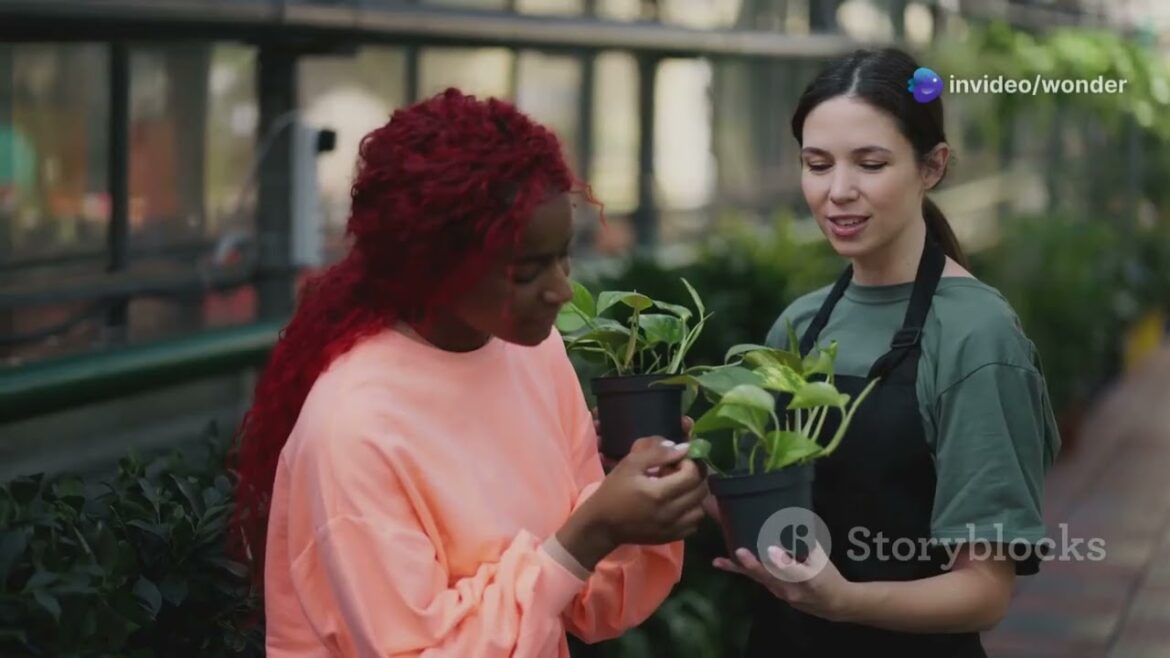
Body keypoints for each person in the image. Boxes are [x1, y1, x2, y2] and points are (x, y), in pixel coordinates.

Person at [230, 88, 709, 658]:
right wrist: (594, 531)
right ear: (436, 265)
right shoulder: (353, 428)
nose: (561, 289)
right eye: (527, 270)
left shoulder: (533, 351)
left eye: (564, 256)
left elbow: (586, 605)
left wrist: (643, 503)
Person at [710, 48, 1061, 657]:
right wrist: (703, 478)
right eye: (817, 165)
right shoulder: (801, 324)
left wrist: (843, 599)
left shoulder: (978, 335)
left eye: (870, 163)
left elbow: (985, 591)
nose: (838, 191)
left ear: (933, 167)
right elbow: (770, 525)